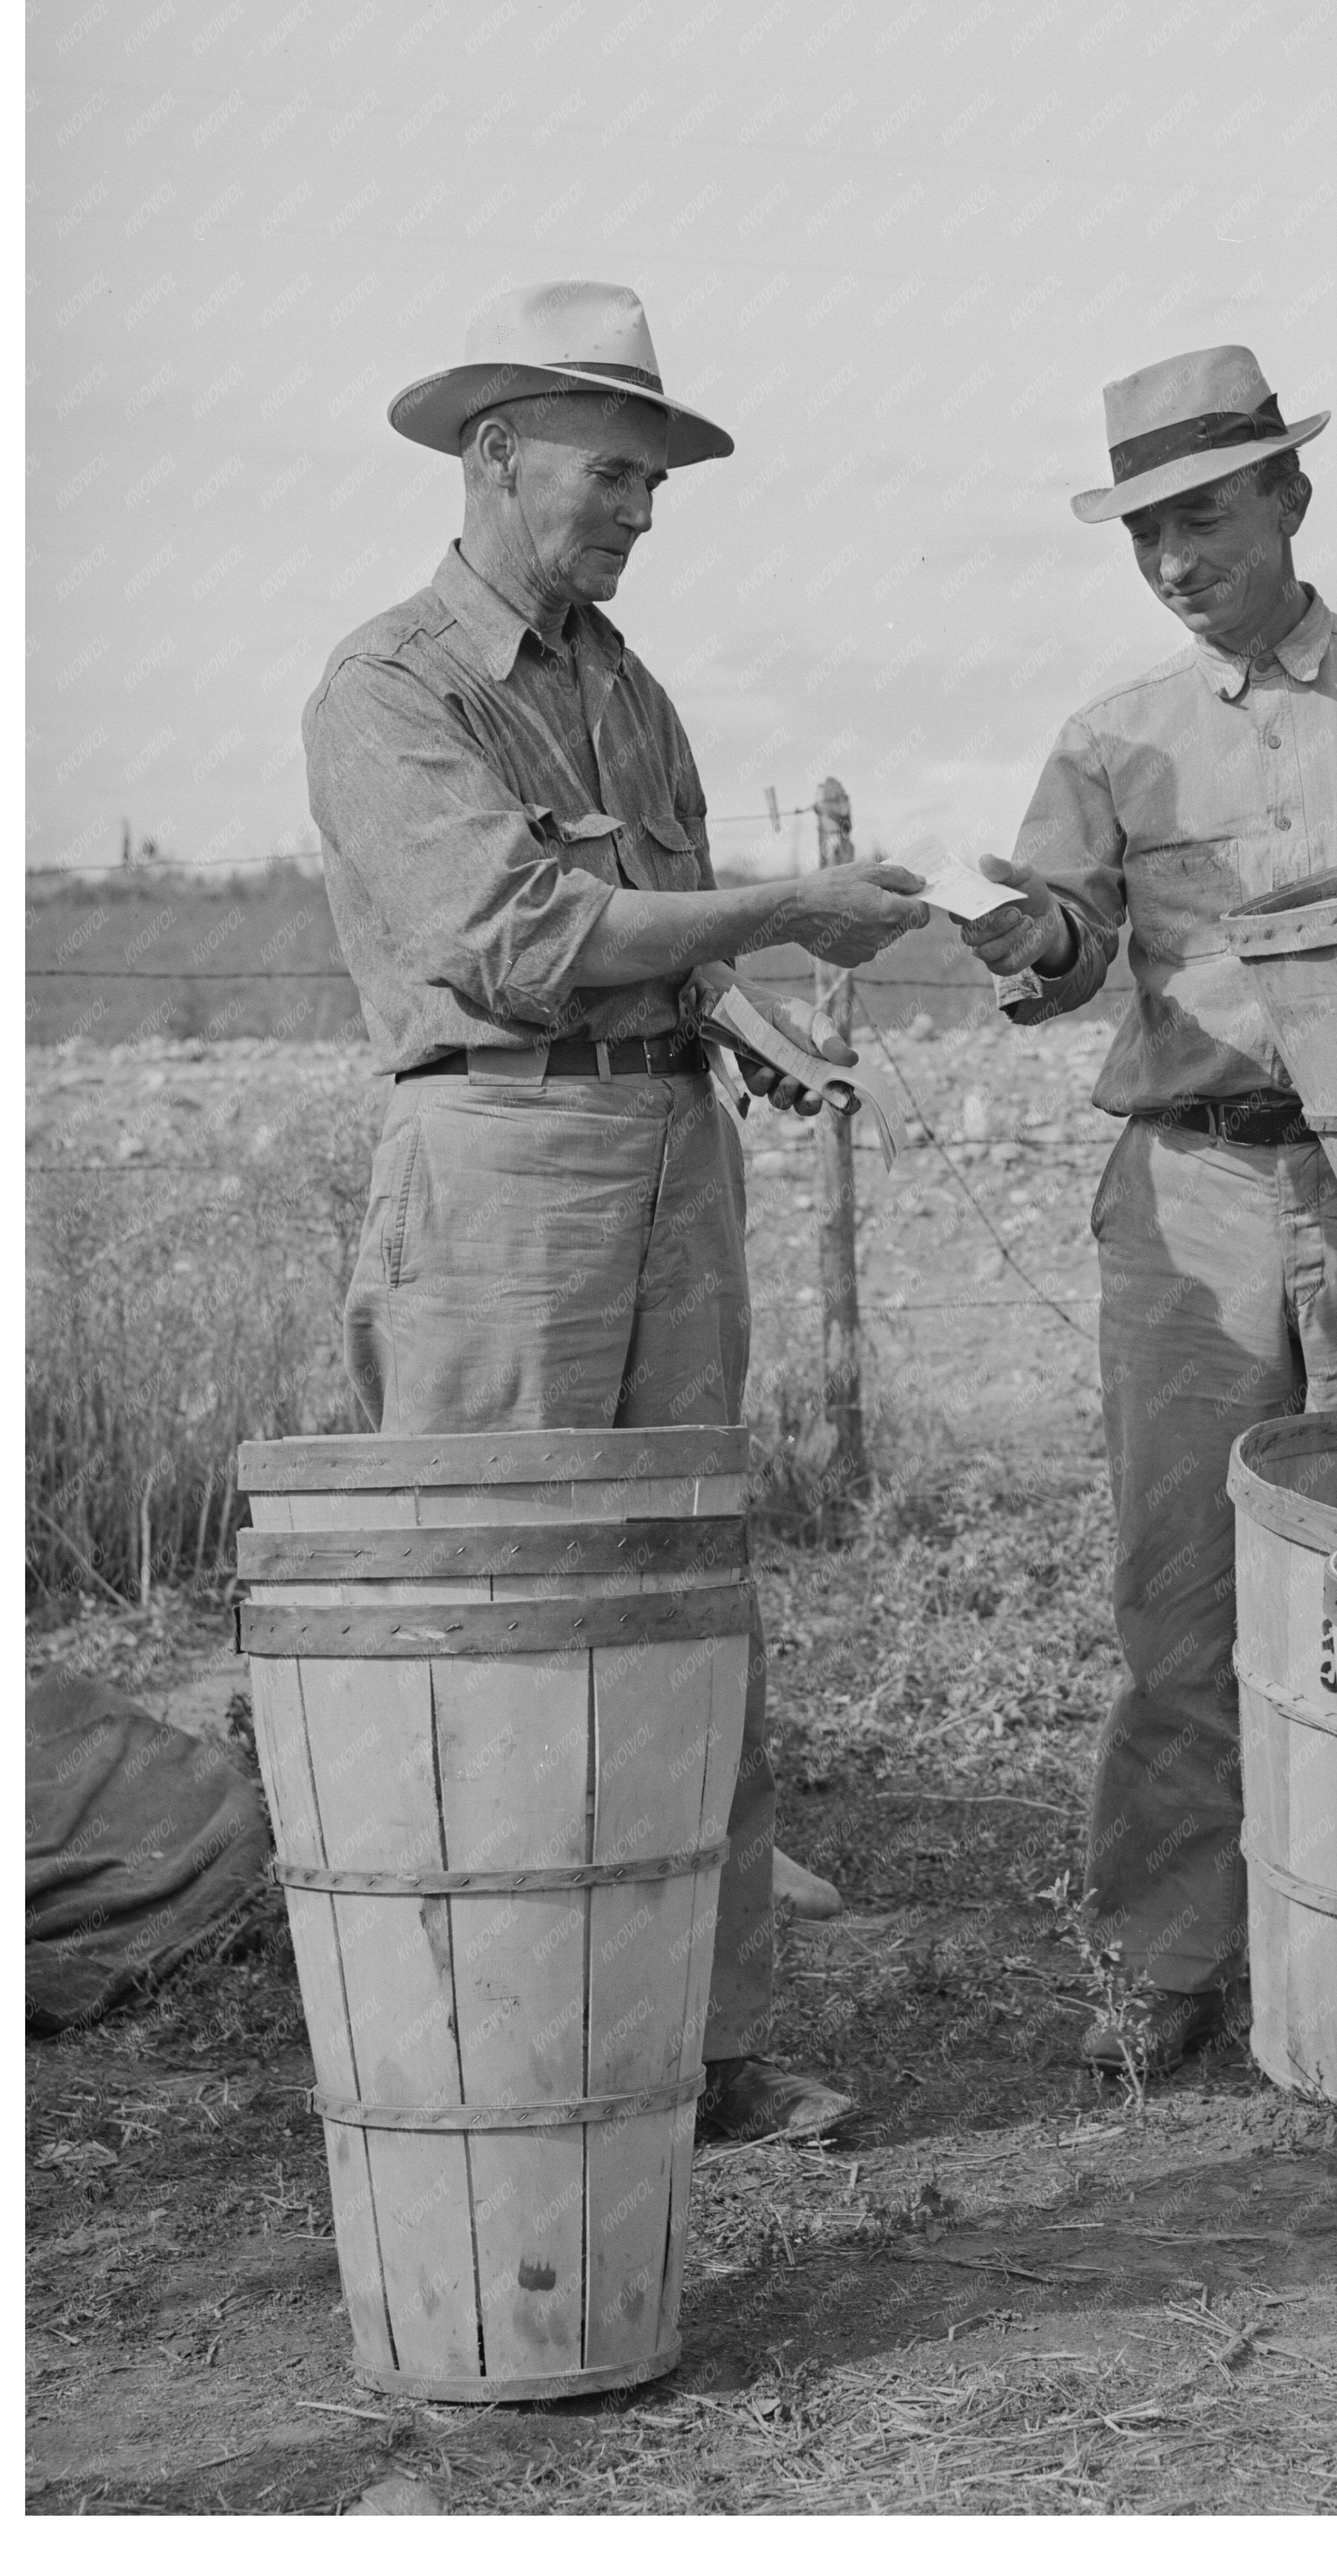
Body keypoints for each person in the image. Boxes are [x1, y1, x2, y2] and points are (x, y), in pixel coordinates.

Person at [303, 278, 928, 2143]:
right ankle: (488, 2052)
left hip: (667, 1163)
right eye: (612, 476)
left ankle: (700, 2048)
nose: (639, 515)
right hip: (500, 1184)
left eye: (655, 485)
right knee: (495, 1610)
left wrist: (741, 1029)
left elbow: (650, 931)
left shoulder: (622, 688)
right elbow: (518, 941)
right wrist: (777, 924)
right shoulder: (392, 687)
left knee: (682, 1605)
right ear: (493, 457)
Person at [959, 343, 1337, 2074]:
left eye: (1203, 517)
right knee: (1177, 1596)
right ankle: (1166, 1965)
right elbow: (1064, 956)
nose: (1173, 560)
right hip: (1193, 1194)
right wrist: (1031, 937)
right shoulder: (1111, 741)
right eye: (1143, 532)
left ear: (1291, 500)